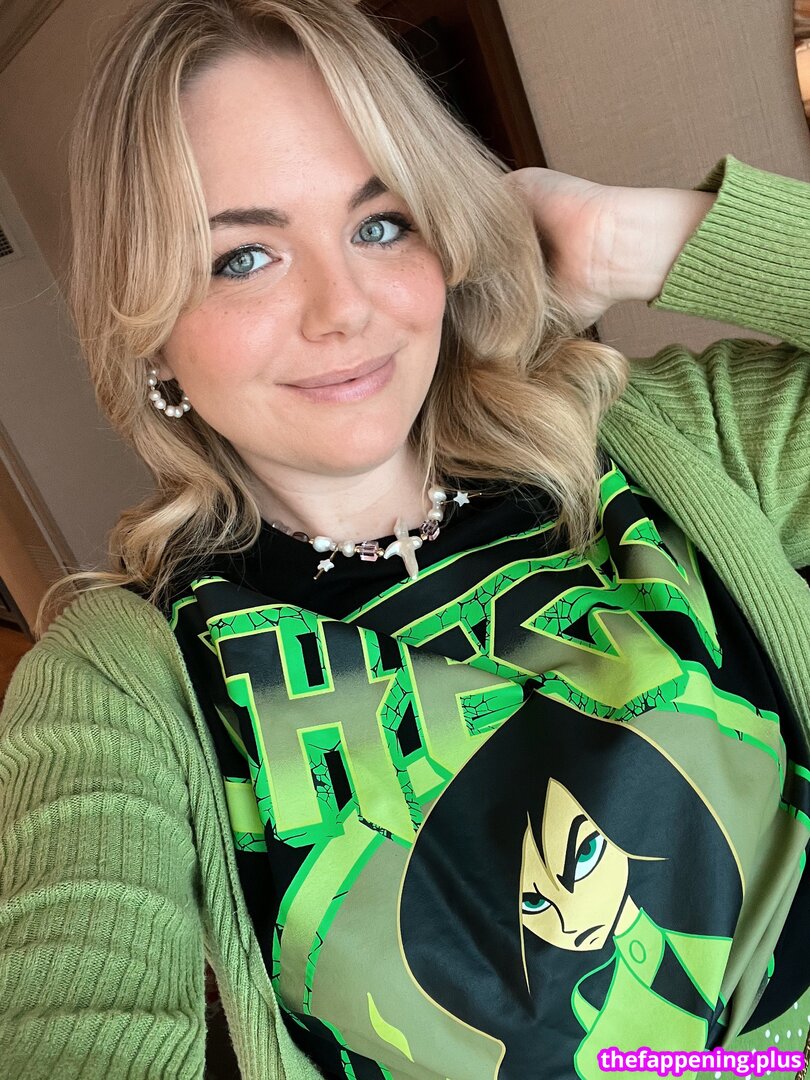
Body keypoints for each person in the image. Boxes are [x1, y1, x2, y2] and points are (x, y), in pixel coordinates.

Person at [0, 0, 807, 1077]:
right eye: (244, 257)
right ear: (148, 332)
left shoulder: (675, 445)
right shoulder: (118, 683)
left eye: (381, 224)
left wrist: (629, 237)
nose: (344, 309)